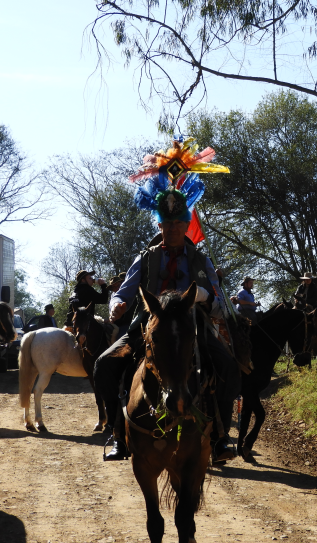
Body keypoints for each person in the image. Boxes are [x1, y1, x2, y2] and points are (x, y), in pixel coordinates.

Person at [95, 190, 240, 464]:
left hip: (192, 327)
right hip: (149, 326)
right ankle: (118, 434)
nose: (173, 228)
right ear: (159, 225)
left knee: (228, 367)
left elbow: (220, 304)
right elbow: (123, 292)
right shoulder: (146, 258)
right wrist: (116, 304)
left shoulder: (201, 260)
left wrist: (204, 297)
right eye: (167, 223)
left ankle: (220, 437)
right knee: (103, 364)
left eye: (178, 223)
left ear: (187, 225)